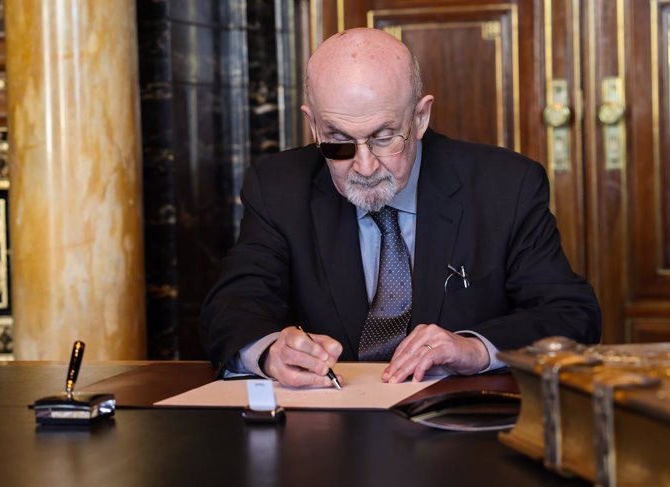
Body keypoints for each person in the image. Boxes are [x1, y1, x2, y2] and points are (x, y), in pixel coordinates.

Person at [199, 27, 601, 388]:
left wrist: (475, 350)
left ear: (421, 117)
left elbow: (571, 314)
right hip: (327, 436)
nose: (364, 165)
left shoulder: (505, 186)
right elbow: (232, 306)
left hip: (459, 434)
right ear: (313, 126)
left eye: (384, 137)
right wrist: (271, 351)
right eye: (337, 140)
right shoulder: (278, 187)